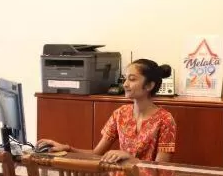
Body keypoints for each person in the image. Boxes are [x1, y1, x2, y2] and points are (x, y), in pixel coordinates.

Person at [38, 59, 176, 163]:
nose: (125, 84)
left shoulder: (165, 119)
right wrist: (66, 148)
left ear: (149, 85)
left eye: (132, 79)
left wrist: (130, 158)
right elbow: (95, 154)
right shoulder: (120, 114)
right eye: (125, 79)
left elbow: (160, 168)